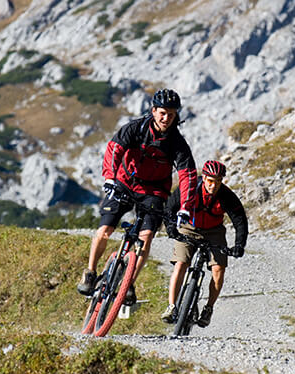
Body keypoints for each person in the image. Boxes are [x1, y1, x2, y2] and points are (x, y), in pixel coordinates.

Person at [77, 89, 197, 305]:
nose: (166, 118)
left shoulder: (177, 143)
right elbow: (114, 149)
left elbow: (187, 175)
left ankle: (129, 283)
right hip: (124, 182)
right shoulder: (136, 128)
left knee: (147, 236)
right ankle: (91, 272)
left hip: (154, 191)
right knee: (105, 230)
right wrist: (110, 177)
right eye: (162, 113)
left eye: (171, 114)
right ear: (153, 111)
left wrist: (185, 207)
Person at [162, 160, 248, 327]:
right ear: (204, 177)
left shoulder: (226, 196)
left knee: (218, 269)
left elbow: (240, 222)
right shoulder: (190, 188)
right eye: (210, 180)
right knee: (181, 264)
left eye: (218, 181)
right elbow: (170, 208)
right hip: (189, 227)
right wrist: (171, 227)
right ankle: (171, 306)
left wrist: (239, 245)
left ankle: (208, 308)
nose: (213, 185)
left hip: (214, 231)